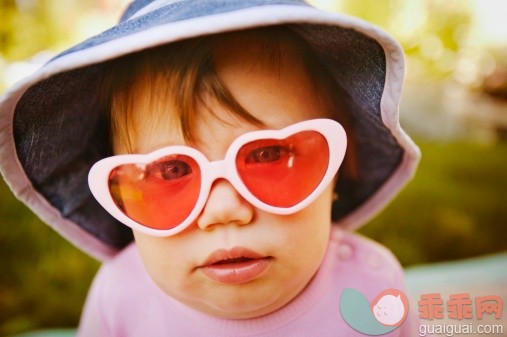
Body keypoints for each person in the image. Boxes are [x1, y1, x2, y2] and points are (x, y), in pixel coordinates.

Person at [0, 1, 421, 336]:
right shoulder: (121, 298)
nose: (223, 209)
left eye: (268, 154)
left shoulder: (371, 287)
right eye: (169, 171)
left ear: (336, 169)